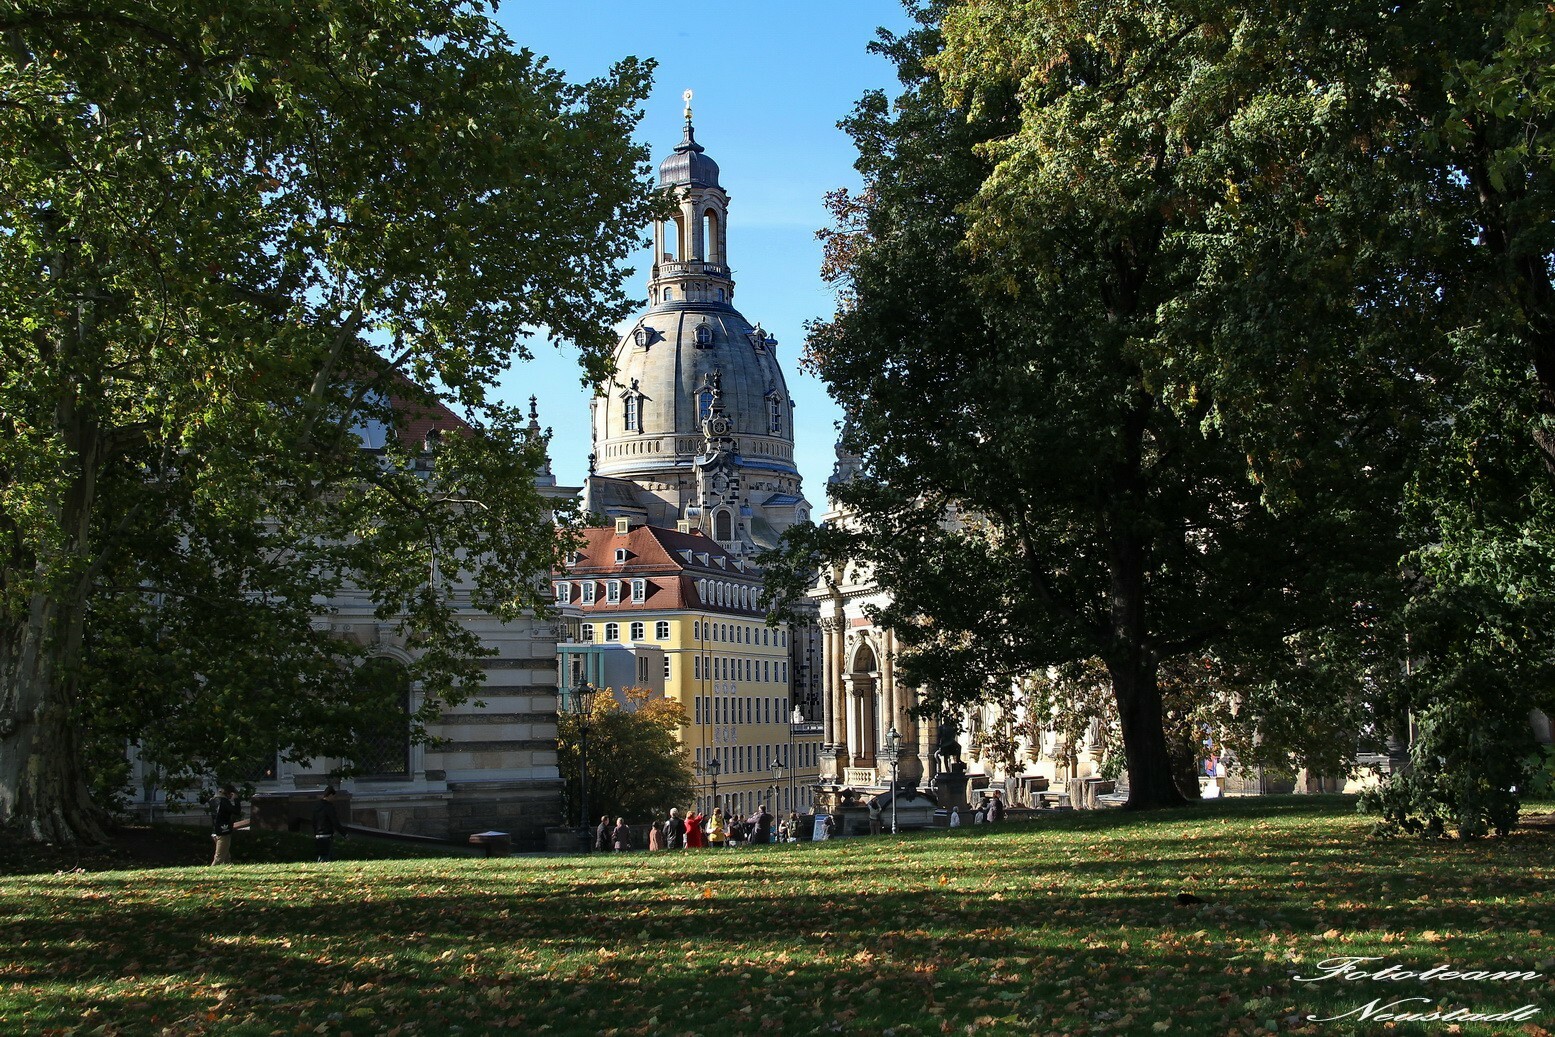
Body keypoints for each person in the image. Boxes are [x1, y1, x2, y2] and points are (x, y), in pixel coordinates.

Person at [209, 785, 249, 866]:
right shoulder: (223, 801)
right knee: (219, 858)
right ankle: (210, 872)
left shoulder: (213, 800)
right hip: (223, 831)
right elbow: (236, 811)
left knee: (226, 856)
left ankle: (228, 866)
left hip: (215, 830)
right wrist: (236, 799)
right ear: (230, 793)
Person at [312, 786, 348, 862]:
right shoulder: (329, 807)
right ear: (330, 795)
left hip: (318, 835)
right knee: (326, 856)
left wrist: (315, 832)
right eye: (334, 796)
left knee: (321, 855)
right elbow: (335, 822)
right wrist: (344, 834)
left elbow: (314, 820)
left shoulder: (317, 806)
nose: (334, 799)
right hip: (327, 834)